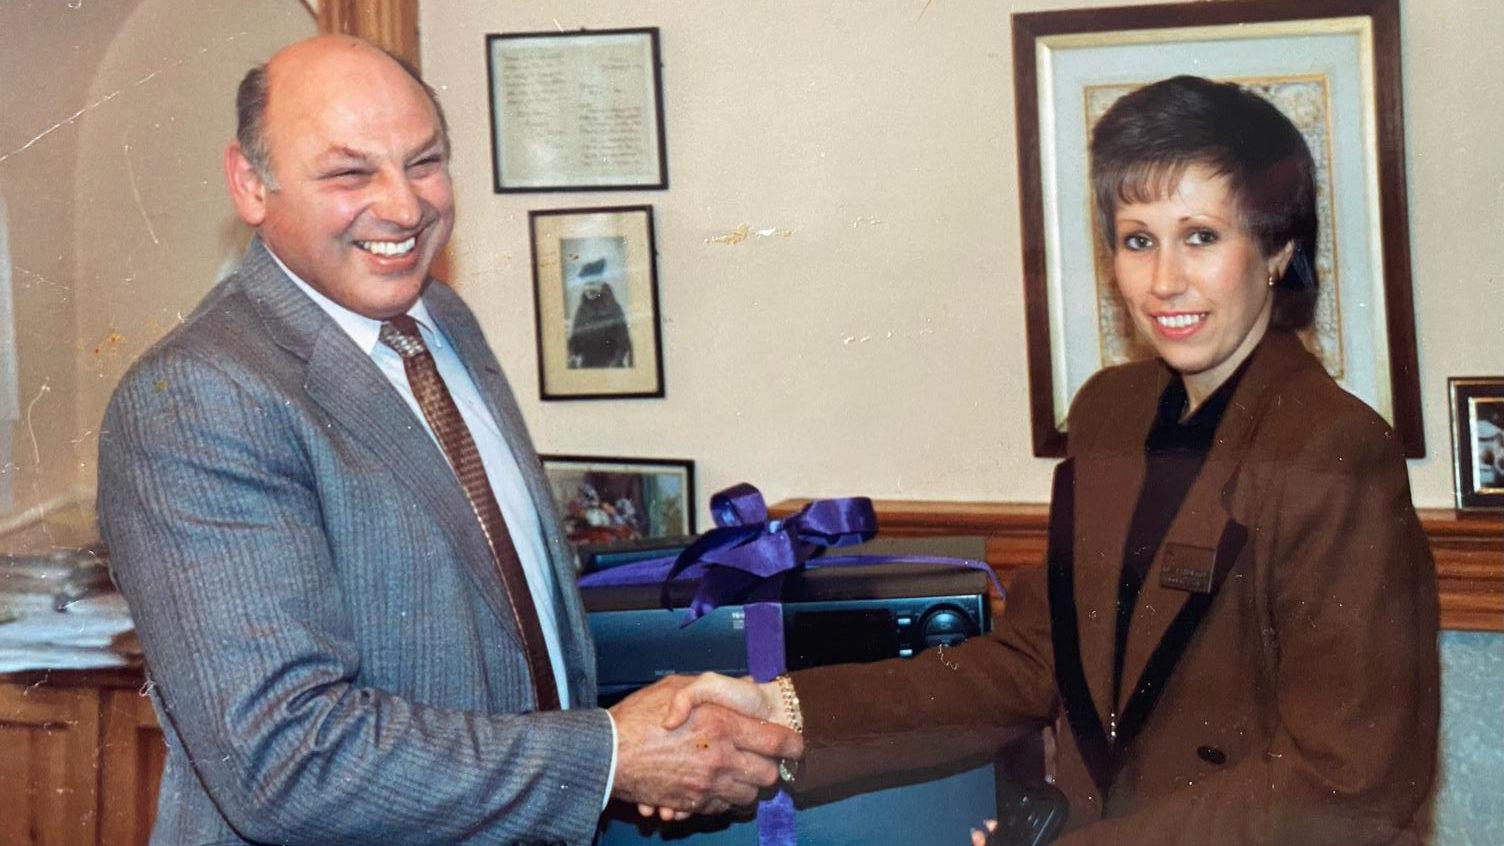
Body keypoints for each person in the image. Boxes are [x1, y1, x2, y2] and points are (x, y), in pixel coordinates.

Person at [666, 76, 1439, 844]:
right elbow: (1031, 662)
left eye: (1200, 236)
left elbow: (1345, 787)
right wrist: (780, 712)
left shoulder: (1335, 448)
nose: (1165, 281)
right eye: (1139, 240)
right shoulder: (1112, 411)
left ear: (1277, 249)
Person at [98, 35, 798, 846]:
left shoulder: (438, 320)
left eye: (424, 162)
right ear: (251, 184)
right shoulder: (195, 398)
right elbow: (287, 761)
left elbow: (511, 626)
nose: (404, 207)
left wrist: (660, 735)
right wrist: (613, 755)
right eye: (350, 172)